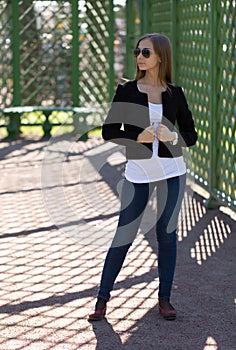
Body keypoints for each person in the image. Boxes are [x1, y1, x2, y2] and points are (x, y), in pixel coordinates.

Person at [88, 33, 198, 321]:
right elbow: (109, 131)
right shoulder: (126, 91)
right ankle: (102, 299)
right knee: (124, 234)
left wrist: (172, 135)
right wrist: (137, 136)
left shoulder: (176, 93)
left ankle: (165, 299)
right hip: (138, 173)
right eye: (137, 51)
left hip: (172, 171)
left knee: (167, 235)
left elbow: (191, 135)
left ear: (160, 57)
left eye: (146, 52)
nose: (139, 56)